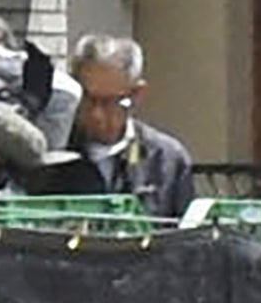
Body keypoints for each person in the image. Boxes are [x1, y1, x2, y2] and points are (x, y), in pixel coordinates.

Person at [33, 34, 196, 217]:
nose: (96, 115)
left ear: (136, 94)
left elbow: (187, 237)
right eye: (87, 99)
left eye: (109, 102)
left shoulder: (166, 159)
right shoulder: (51, 154)